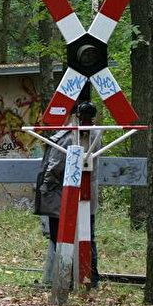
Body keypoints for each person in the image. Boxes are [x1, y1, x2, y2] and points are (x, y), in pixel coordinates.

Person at [36, 100, 101, 287]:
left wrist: (45, 189)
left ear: (73, 115)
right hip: (87, 195)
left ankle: (67, 278)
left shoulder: (68, 137)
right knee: (87, 236)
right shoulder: (96, 134)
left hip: (63, 195)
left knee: (61, 236)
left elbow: (55, 167)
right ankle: (89, 278)